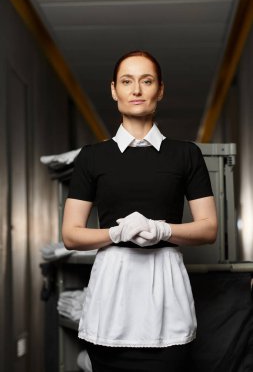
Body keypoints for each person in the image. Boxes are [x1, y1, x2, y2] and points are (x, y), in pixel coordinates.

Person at [62, 50, 218, 372]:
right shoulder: (92, 158)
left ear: (159, 90)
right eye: (127, 81)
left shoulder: (186, 154)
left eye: (146, 81)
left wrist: (164, 229)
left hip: (166, 294)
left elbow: (208, 228)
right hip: (112, 296)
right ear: (114, 90)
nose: (136, 90)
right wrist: (115, 234)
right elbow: (70, 235)